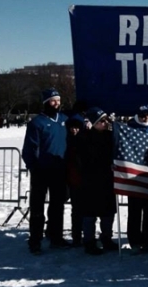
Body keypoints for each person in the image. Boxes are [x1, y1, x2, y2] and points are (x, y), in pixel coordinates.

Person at [21, 88, 70, 254]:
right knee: (37, 207)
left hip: (60, 170)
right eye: (53, 100)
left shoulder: (64, 119)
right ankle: (35, 240)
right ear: (45, 102)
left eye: (58, 100)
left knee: (57, 206)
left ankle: (55, 236)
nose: (56, 103)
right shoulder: (37, 123)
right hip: (41, 171)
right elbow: (29, 149)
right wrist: (33, 167)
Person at [78, 107, 119, 255]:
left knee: (108, 212)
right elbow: (82, 159)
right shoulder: (84, 137)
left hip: (107, 179)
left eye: (106, 120)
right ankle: (89, 241)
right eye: (102, 121)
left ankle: (106, 237)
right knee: (90, 213)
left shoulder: (109, 136)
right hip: (91, 180)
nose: (105, 123)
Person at [125, 105, 148, 254]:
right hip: (134, 174)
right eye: (141, 115)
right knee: (134, 210)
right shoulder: (129, 127)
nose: (144, 118)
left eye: (146, 115)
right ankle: (134, 241)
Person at [65, 114, 85, 247]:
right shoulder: (66, 141)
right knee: (76, 210)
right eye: (72, 128)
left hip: (85, 180)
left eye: (77, 128)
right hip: (72, 180)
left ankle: (87, 235)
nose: (74, 130)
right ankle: (76, 236)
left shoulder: (85, 140)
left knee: (86, 210)